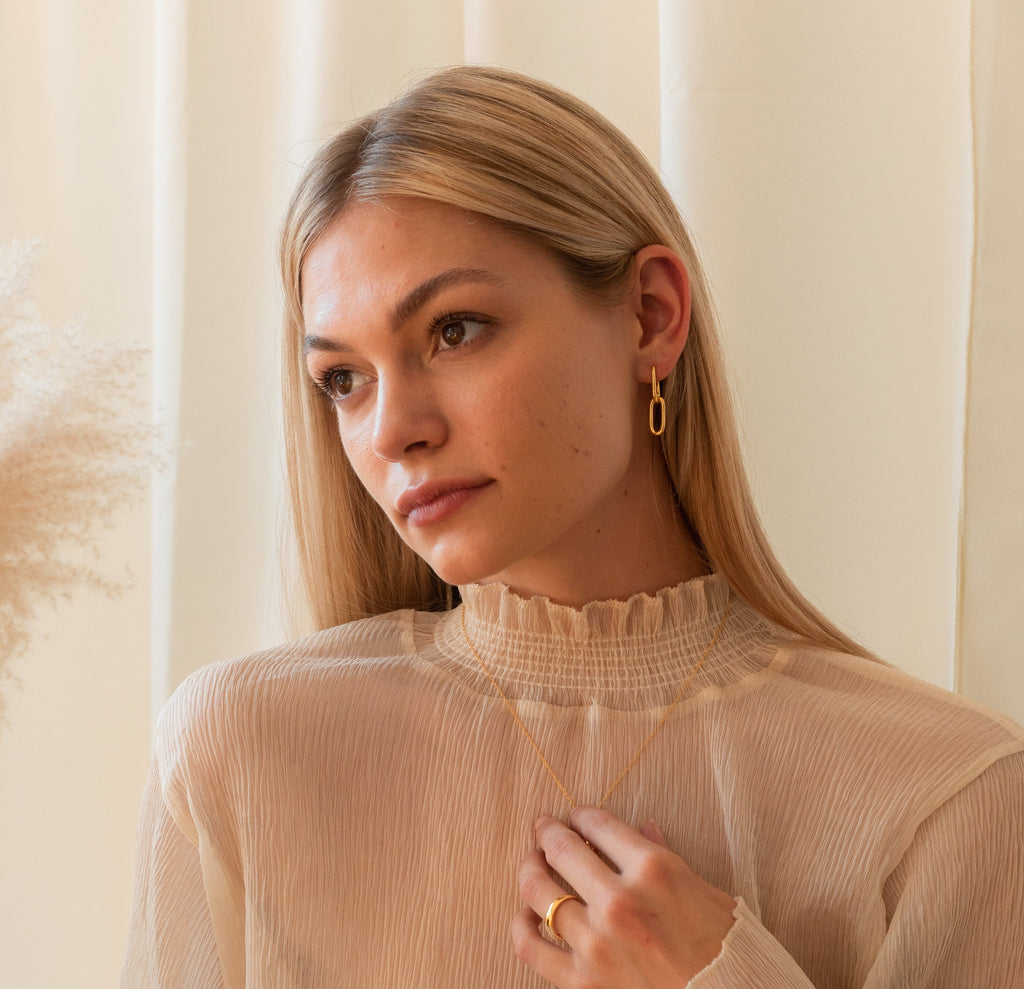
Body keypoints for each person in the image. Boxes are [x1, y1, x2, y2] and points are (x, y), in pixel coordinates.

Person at [121, 65, 1024, 987]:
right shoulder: (243, 751)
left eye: (454, 329)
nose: (392, 429)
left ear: (651, 315)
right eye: (344, 379)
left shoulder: (951, 795)